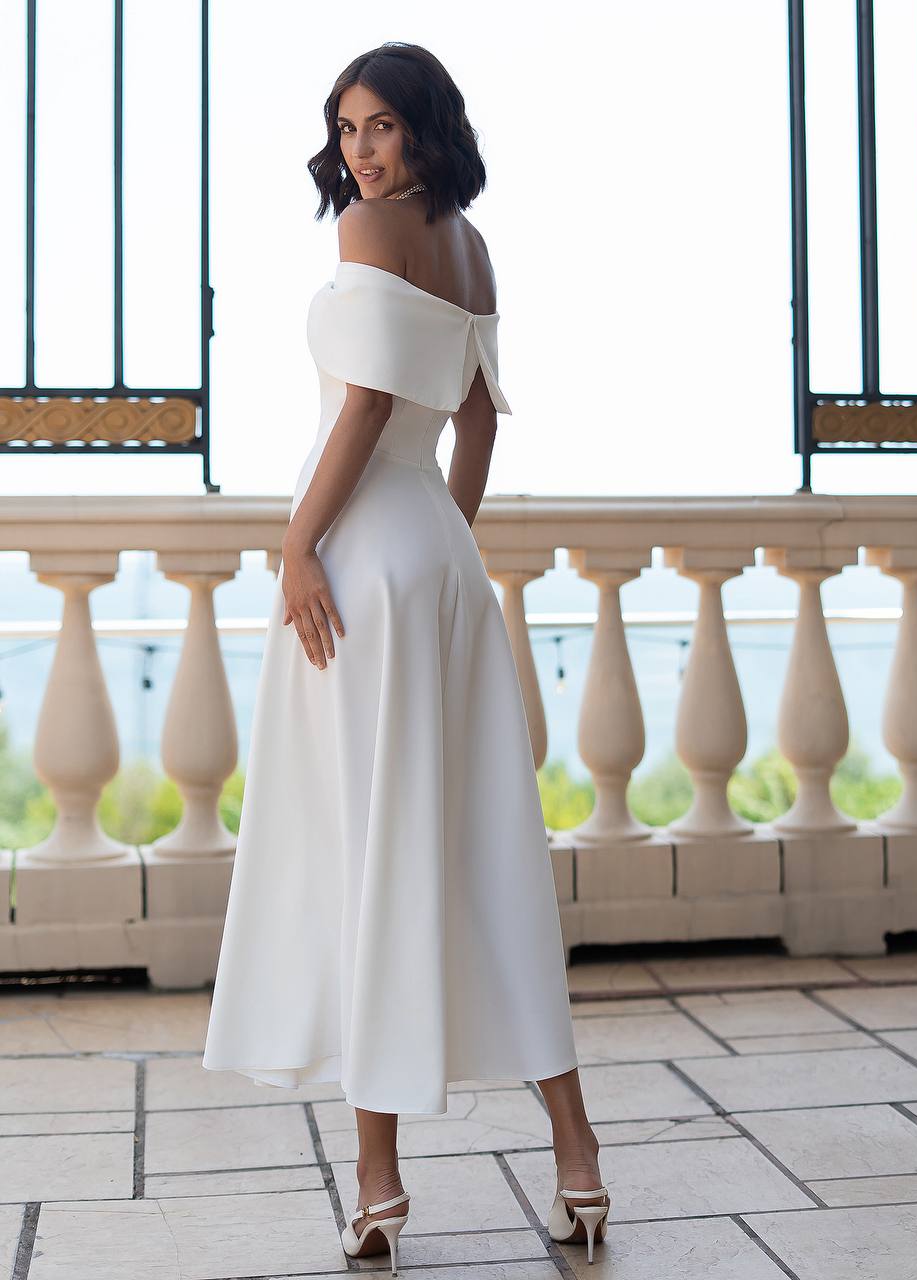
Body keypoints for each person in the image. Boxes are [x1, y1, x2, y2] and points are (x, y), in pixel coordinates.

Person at [201, 41, 609, 1274]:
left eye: (382, 127)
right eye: (347, 131)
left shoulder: (368, 240)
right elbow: (473, 418)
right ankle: (578, 1160)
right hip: (433, 554)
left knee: (363, 850)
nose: (360, 153)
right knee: (486, 848)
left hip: (365, 559)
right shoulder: (472, 247)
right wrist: (445, 543)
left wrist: (297, 544)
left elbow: (369, 407)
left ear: (429, 128)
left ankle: (378, 1188)